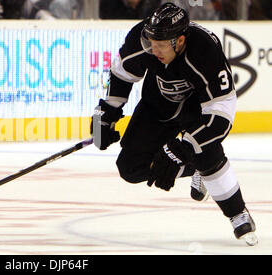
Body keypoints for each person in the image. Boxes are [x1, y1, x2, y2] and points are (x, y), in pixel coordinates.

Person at [91, 2, 257, 245]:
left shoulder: (205, 52)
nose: (152, 49)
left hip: (197, 108)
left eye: (159, 45)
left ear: (179, 41)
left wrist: (186, 147)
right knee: (130, 168)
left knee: (205, 150)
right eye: (150, 42)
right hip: (157, 104)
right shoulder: (143, 40)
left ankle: (237, 213)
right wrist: (103, 117)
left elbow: (221, 115)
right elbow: (121, 74)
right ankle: (198, 168)